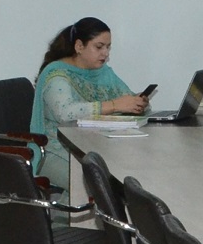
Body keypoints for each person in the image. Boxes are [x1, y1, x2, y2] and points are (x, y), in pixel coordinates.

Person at [31, 16, 146, 184]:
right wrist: (114, 105)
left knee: (124, 171)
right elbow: (65, 113)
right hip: (56, 151)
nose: (105, 53)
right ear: (79, 46)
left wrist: (137, 102)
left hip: (94, 147)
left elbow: (125, 98)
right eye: (99, 47)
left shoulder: (102, 72)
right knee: (94, 183)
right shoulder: (57, 75)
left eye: (108, 47)